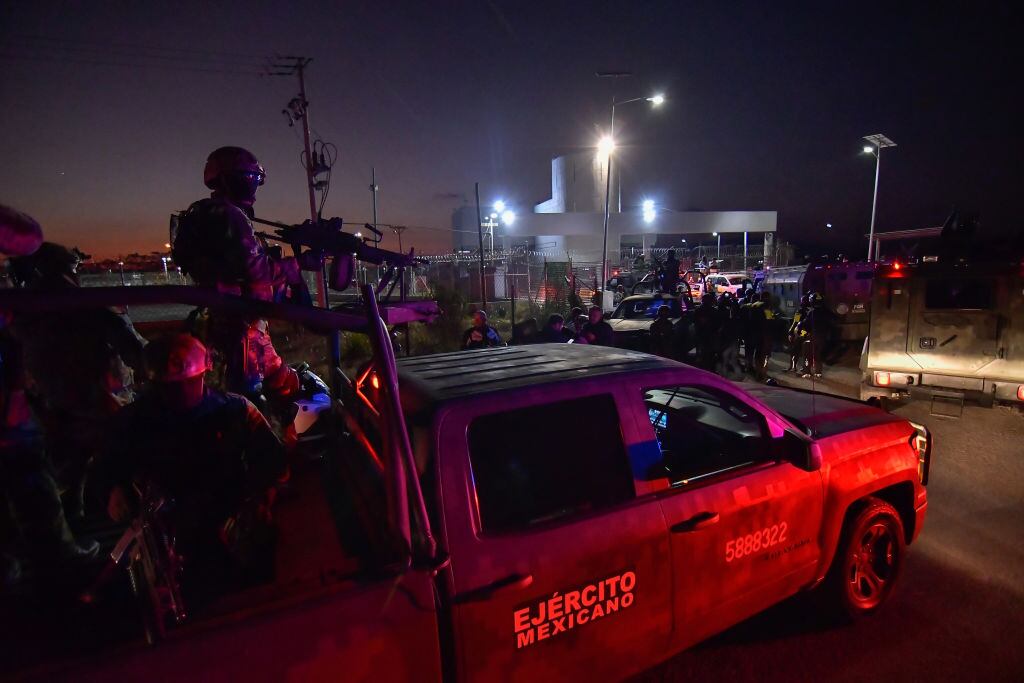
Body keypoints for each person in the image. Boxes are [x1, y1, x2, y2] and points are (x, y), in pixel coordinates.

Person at [100, 334, 287, 590]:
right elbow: (108, 464)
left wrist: (259, 501)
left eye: (184, 385)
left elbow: (273, 461)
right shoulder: (132, 421)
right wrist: (115, 489)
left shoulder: (235, 410)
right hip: (167, 524)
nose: (176, 394)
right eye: (168, 388)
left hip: (227, 513)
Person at [172, 146, 322, 405]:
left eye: (254, 179)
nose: (251, 186)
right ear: (227, 179)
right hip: (241, 325)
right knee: (249, 400)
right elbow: (256, 271)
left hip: (225, 319)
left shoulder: (205, 214)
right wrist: (298, 264)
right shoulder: (230, 216)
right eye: (246, 178)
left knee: (261, 387)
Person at [9, 243, 146, 520]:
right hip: (94, 401)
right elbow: (132, 348)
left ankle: (74, 516)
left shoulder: (20, 314)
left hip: (44, 406)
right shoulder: (86, 307)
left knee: (63, 472)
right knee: (123, 455)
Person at [1, 213, 97, 584]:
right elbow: (26, 235)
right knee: (29, 471)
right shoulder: (50, 305)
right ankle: (59, 558)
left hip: (31, 397)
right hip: (24, 407)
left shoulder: (28, 307)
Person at [716, 293, 743, 379]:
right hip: (733, 341)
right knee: (732, 360)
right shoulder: (735, 318)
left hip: (726, 342)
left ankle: (723, 377)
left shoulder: (723, 318)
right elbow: (737, 307)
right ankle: (738, 376)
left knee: (724, 360)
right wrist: (733, 298)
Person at [693, 294, 719, 370]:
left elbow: (695, 322)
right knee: (708, 353)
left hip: (703, 335)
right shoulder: (713, 310)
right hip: (708, 335)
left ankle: (704, 368)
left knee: (703, 353)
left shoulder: (698, 310)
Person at [788, 293, 811, 373]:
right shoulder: (810, 311)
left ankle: (793, 367)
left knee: (795, 350)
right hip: (807, 332)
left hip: (800, 331)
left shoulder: (799, 311)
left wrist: (790, 331)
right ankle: (805, 368)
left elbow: (795, 321)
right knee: (806, 351)